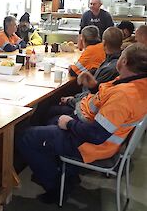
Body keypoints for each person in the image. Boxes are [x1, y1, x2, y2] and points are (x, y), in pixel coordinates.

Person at [17, 43, 147, 204]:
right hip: (100, 134)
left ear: (125, 62)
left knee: (25, 137)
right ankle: (67, 173)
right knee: (50, 117)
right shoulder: (137, 84)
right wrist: (94, 87)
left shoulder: (125, 96)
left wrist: (70, 124)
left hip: (93, 145)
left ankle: (57, 187)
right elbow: (107, 103)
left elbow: (96, 135)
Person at [63, 27, 122, 108]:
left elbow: (74, 72)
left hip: (87, 106)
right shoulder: (117, 62)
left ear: (104, 43)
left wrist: (71, 100)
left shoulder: (108, 66)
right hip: (95, 101)